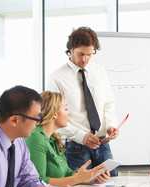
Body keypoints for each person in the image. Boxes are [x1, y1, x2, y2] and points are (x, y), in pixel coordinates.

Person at [47, 26, 119, 176]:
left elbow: (108, 103)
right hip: (76, 147)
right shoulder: (57, 77)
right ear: (71, 49)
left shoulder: (99, 71)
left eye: (89, 55)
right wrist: (82, 136)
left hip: (102, 144)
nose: (84, 59)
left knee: (112, 185)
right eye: (81, 54)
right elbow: (54, 117)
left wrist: (111, 125)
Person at [25, 91, 110, 187]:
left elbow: (67, 174)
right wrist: (79, 178)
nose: (69, 113)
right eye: (66, 109)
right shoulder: (35, 137)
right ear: (54, 114)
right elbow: (39, 182)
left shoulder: (53, 138)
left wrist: (91, 178)